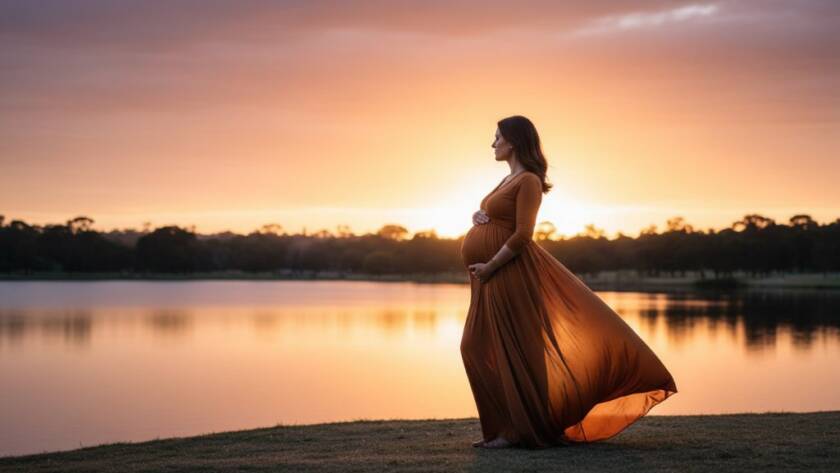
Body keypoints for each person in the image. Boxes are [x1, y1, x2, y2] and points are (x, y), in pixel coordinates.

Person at [459, 115, 677, 449]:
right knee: (477, 345)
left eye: (497, 137)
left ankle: (518, 431)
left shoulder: (528, 180)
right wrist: (478, 216)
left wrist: (490, 266)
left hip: (507, 273)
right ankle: (506, 428)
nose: (493, 144)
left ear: (513, 141)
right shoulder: (507, 180)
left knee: (517, 349)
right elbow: (495, 217)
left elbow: (522, 236)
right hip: (489, 279)